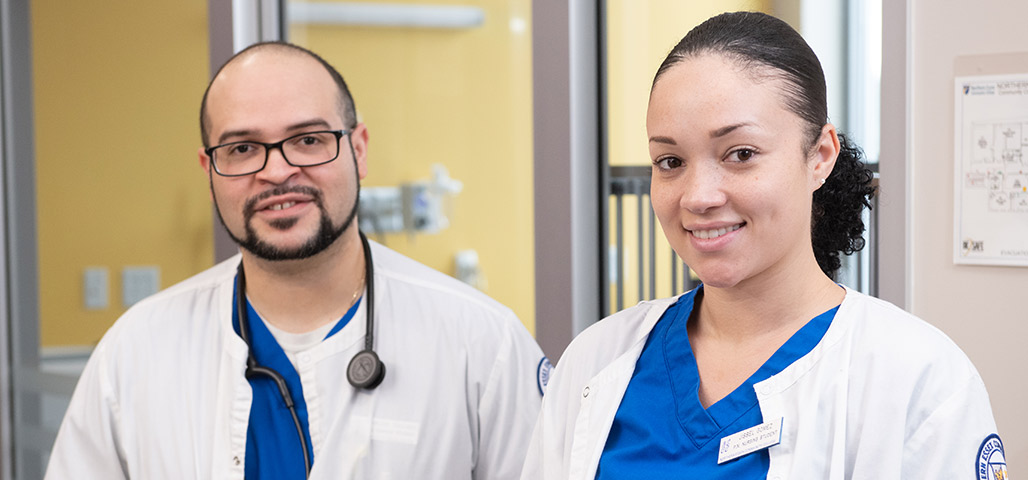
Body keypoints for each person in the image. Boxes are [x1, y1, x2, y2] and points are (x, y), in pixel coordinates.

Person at [521, 11, 1005, 480]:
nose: (698, 196)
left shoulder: (918, 380)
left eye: (741, 154)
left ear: (819, 156)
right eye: (670, 161)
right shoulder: (595, 361)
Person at [45, 42, 547, 479]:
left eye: (308, 140)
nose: (278, 171)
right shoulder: (135, 352)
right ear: (210, 170)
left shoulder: (482, 344)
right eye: (242, 148)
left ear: (359, 149)